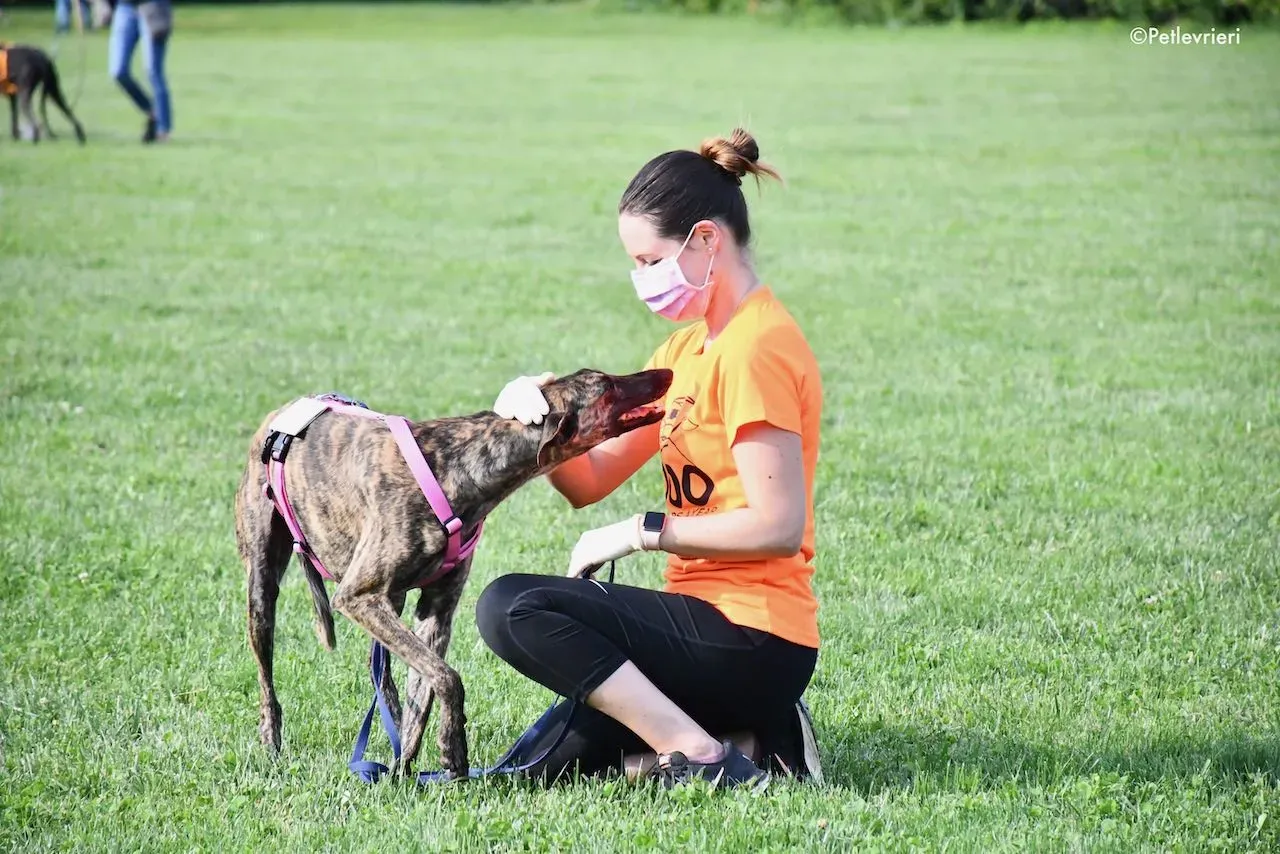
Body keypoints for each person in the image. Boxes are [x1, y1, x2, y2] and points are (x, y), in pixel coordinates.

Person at [476, 128, 824, 790]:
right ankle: (755, 740)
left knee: (510, 607)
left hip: (754, 637)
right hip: (694, 631)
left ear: (706, 241)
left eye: (648, 260)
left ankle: (700, 753)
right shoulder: (684, 352)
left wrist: (640, 531)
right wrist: (540, 426)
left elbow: (777, 524)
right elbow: (591, 478)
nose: (641, 280)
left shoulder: (756, 349)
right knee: (532, 771)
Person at [106, 0, 172, 143]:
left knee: (153, 71)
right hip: (124, 8)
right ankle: (152, 111)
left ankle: (163, 130)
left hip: (153, 6)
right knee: (118, 71)